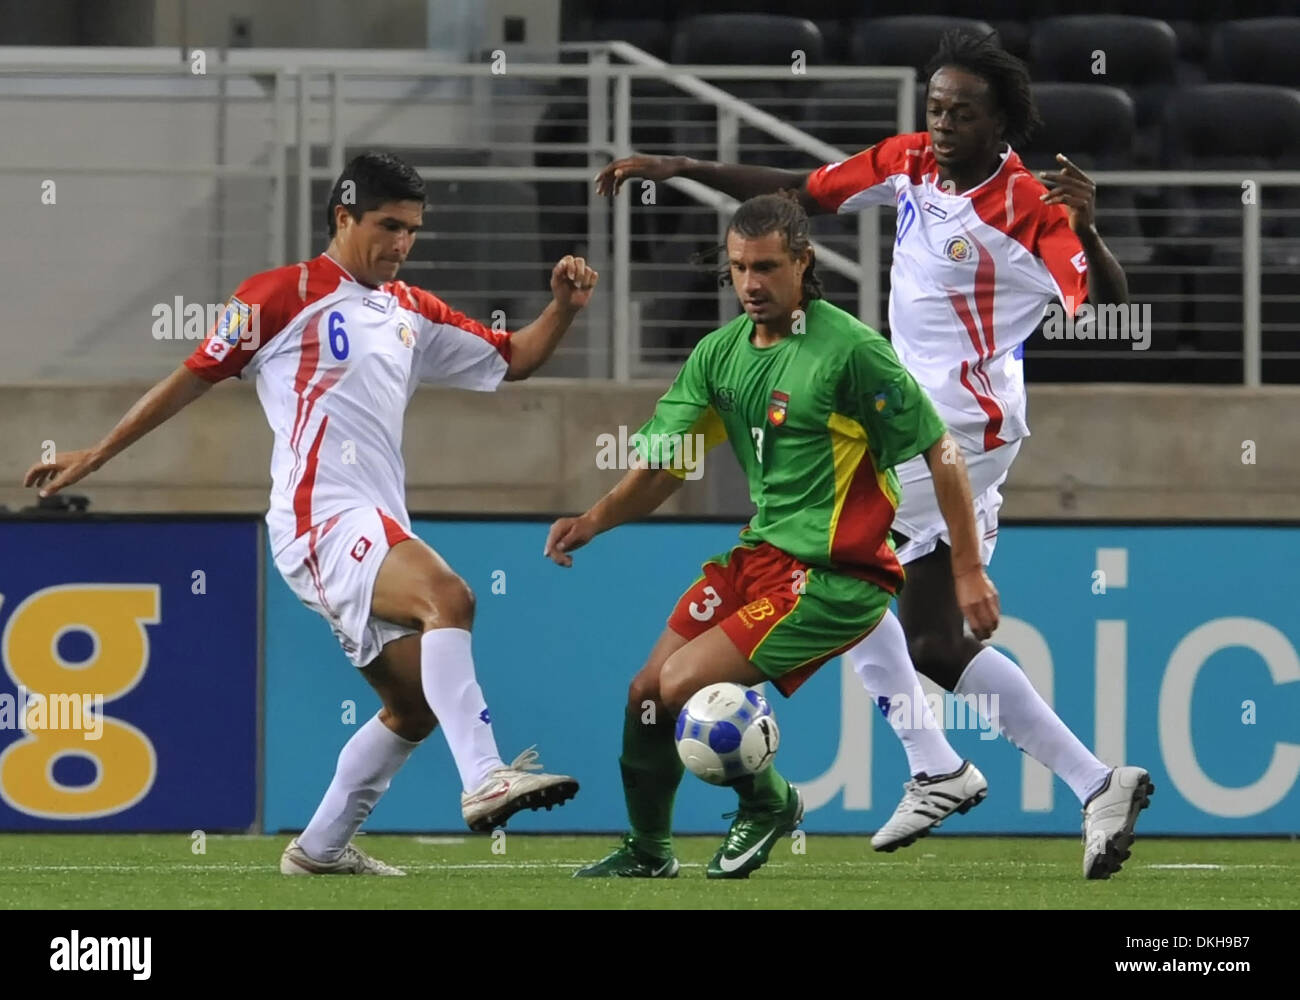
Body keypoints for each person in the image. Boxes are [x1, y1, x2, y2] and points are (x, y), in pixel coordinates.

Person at [594, 29, 1153, 879]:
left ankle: (935, 764)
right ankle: (1080, 779)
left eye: (962, 113)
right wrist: (683, 168)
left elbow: (1107, 306)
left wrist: (1095, 231)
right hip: (913, 429)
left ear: (1001, 121)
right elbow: (797, 193)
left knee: (840, 564)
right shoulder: (910, 164)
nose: (942, 125)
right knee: (928, 639)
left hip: (960, 429)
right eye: (935, 107)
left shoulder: (1029, 209)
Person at [24, 151, 591, 876]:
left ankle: (319, 849)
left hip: (373, 523)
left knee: (414, 707)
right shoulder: (277, 294)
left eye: (414, 230)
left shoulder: (411, 310)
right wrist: (94, 456)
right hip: (317, 519)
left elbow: (513, 359)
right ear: (343, 216)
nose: (402, 244)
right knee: (449, 597)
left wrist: (564, 311)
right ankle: (484, 776)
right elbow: (189, 379)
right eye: (388, 226)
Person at [544, 194, 994, 879]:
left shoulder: (850, 351)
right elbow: (667, 467)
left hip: (835, 575)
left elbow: (944, 452)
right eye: (739, 268)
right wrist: (592, 520)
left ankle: (770, 804)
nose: (751, 284)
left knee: (681, 686)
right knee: (645, 694)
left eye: (766, 267)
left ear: (802, 263)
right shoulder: (718, 355)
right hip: (762, 556)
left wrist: (966, 570)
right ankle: (648, 850)